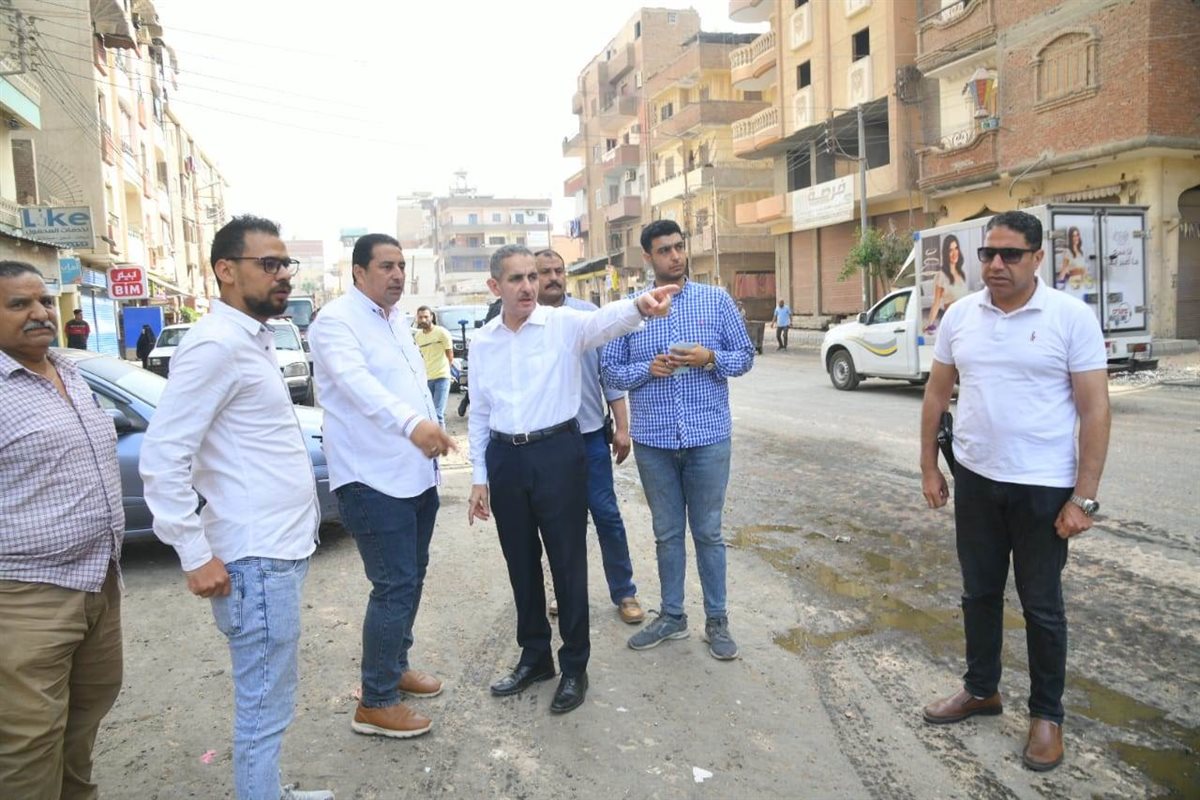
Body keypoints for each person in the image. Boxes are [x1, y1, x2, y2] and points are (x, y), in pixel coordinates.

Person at [139, 215, 333, 800]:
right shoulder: (215, 345)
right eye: (268, 264)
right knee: (263, 708)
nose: (283, 276)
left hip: (276, 552)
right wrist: (193, 553)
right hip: (255, 560)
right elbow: (163, 456)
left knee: (272, 698)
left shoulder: (253, 338)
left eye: (285, 264)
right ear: (226, 270)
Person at [920, 210, 1111, 773]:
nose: (996, 264)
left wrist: (1084, 498)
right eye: (988, 254)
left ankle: (1047, 716)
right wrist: (929, 467)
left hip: (1044, 488)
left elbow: (1095, 410)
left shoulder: (1069, 318)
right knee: (978, 594)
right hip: (976, 479)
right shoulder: (960, 316)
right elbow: (936, 395)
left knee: (1042, 607)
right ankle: (981, 689)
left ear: (1037, 257)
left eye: (1010, 254)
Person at [467, 245, 677, 715]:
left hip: (558, 455)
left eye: (532, 277)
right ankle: (535, 657)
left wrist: (641, 305)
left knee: (567, 562)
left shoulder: (563, 325)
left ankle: (575, 665)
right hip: (504, 458)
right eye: (516, 278)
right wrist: (479, 477)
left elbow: (606, 321)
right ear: (495, 286)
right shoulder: (483, 342)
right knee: (521, 563)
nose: (528, 286)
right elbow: (479, 412)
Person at [309, 234, 454, 741]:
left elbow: (413, 387)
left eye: (401, 266)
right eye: (386, 266)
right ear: (358, 272)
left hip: (415, 474)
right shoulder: (336, 321)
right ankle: (375, 700)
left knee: (411, 577)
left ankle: (395, 666)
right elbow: (358, 386)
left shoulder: (396, 320)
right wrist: (414, 424)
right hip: (371, 478)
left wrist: (430, 428)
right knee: (393, 585)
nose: (397, 275)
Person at [601, 220, 755, 661]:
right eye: (664, 250)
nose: (675, 256)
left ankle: (717, 620)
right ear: (648, 258)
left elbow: (745, 356)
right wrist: (646, 369)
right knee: (667, 533)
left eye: (678, 247)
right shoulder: (630, 312)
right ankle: (672, 616)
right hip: (654, 441)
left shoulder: (715, 301)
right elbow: (610, 371)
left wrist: (710, 358)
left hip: (708, 437)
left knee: (708, 532)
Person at [0, 261, 124, 800]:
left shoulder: (68, 370)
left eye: (45, 301)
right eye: (18, 304)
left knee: (84, 715)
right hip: (25, 596)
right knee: (27, 740)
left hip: (99, 583)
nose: (39, 313)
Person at [534, 248, 644, 625]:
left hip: (590, 437)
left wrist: (622, 428)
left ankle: (624, 591)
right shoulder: (524, 320)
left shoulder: (587, 316)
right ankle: (567, 593)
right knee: (562, 522)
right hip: (547, 444)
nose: (553, 277)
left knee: (606, 514)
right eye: (544, 271)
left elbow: (608, 375)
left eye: (558, 270)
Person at [412, 305, 454, 427]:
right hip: (427, 379)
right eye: (420, 317)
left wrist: (447, 372)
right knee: (428, 413)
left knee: (437, 413)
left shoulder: (442, 332)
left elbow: (449, 355)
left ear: (431, 317)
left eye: (426, 317)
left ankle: (441, 439)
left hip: (442, 377)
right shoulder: (418, 336)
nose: (423, 320)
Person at [925, 234, 969, 329]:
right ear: (945, 253)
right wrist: (929, 324)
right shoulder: (941, 275)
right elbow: (936, 304)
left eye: (956, 248)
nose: (954, 253)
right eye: (950, 250)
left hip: (966, 322)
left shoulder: (962, 272)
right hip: (953, 324)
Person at [1055, 226, 1088, 291]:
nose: (1076, 238)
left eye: (1077, 235)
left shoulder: (1081, 251)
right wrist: (1059, 284)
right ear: (1070, 238)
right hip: (1073, 283)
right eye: (1073, 236)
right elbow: (1064, 269)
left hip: (1082, 282)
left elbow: (1085, 269)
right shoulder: (1067, 252)